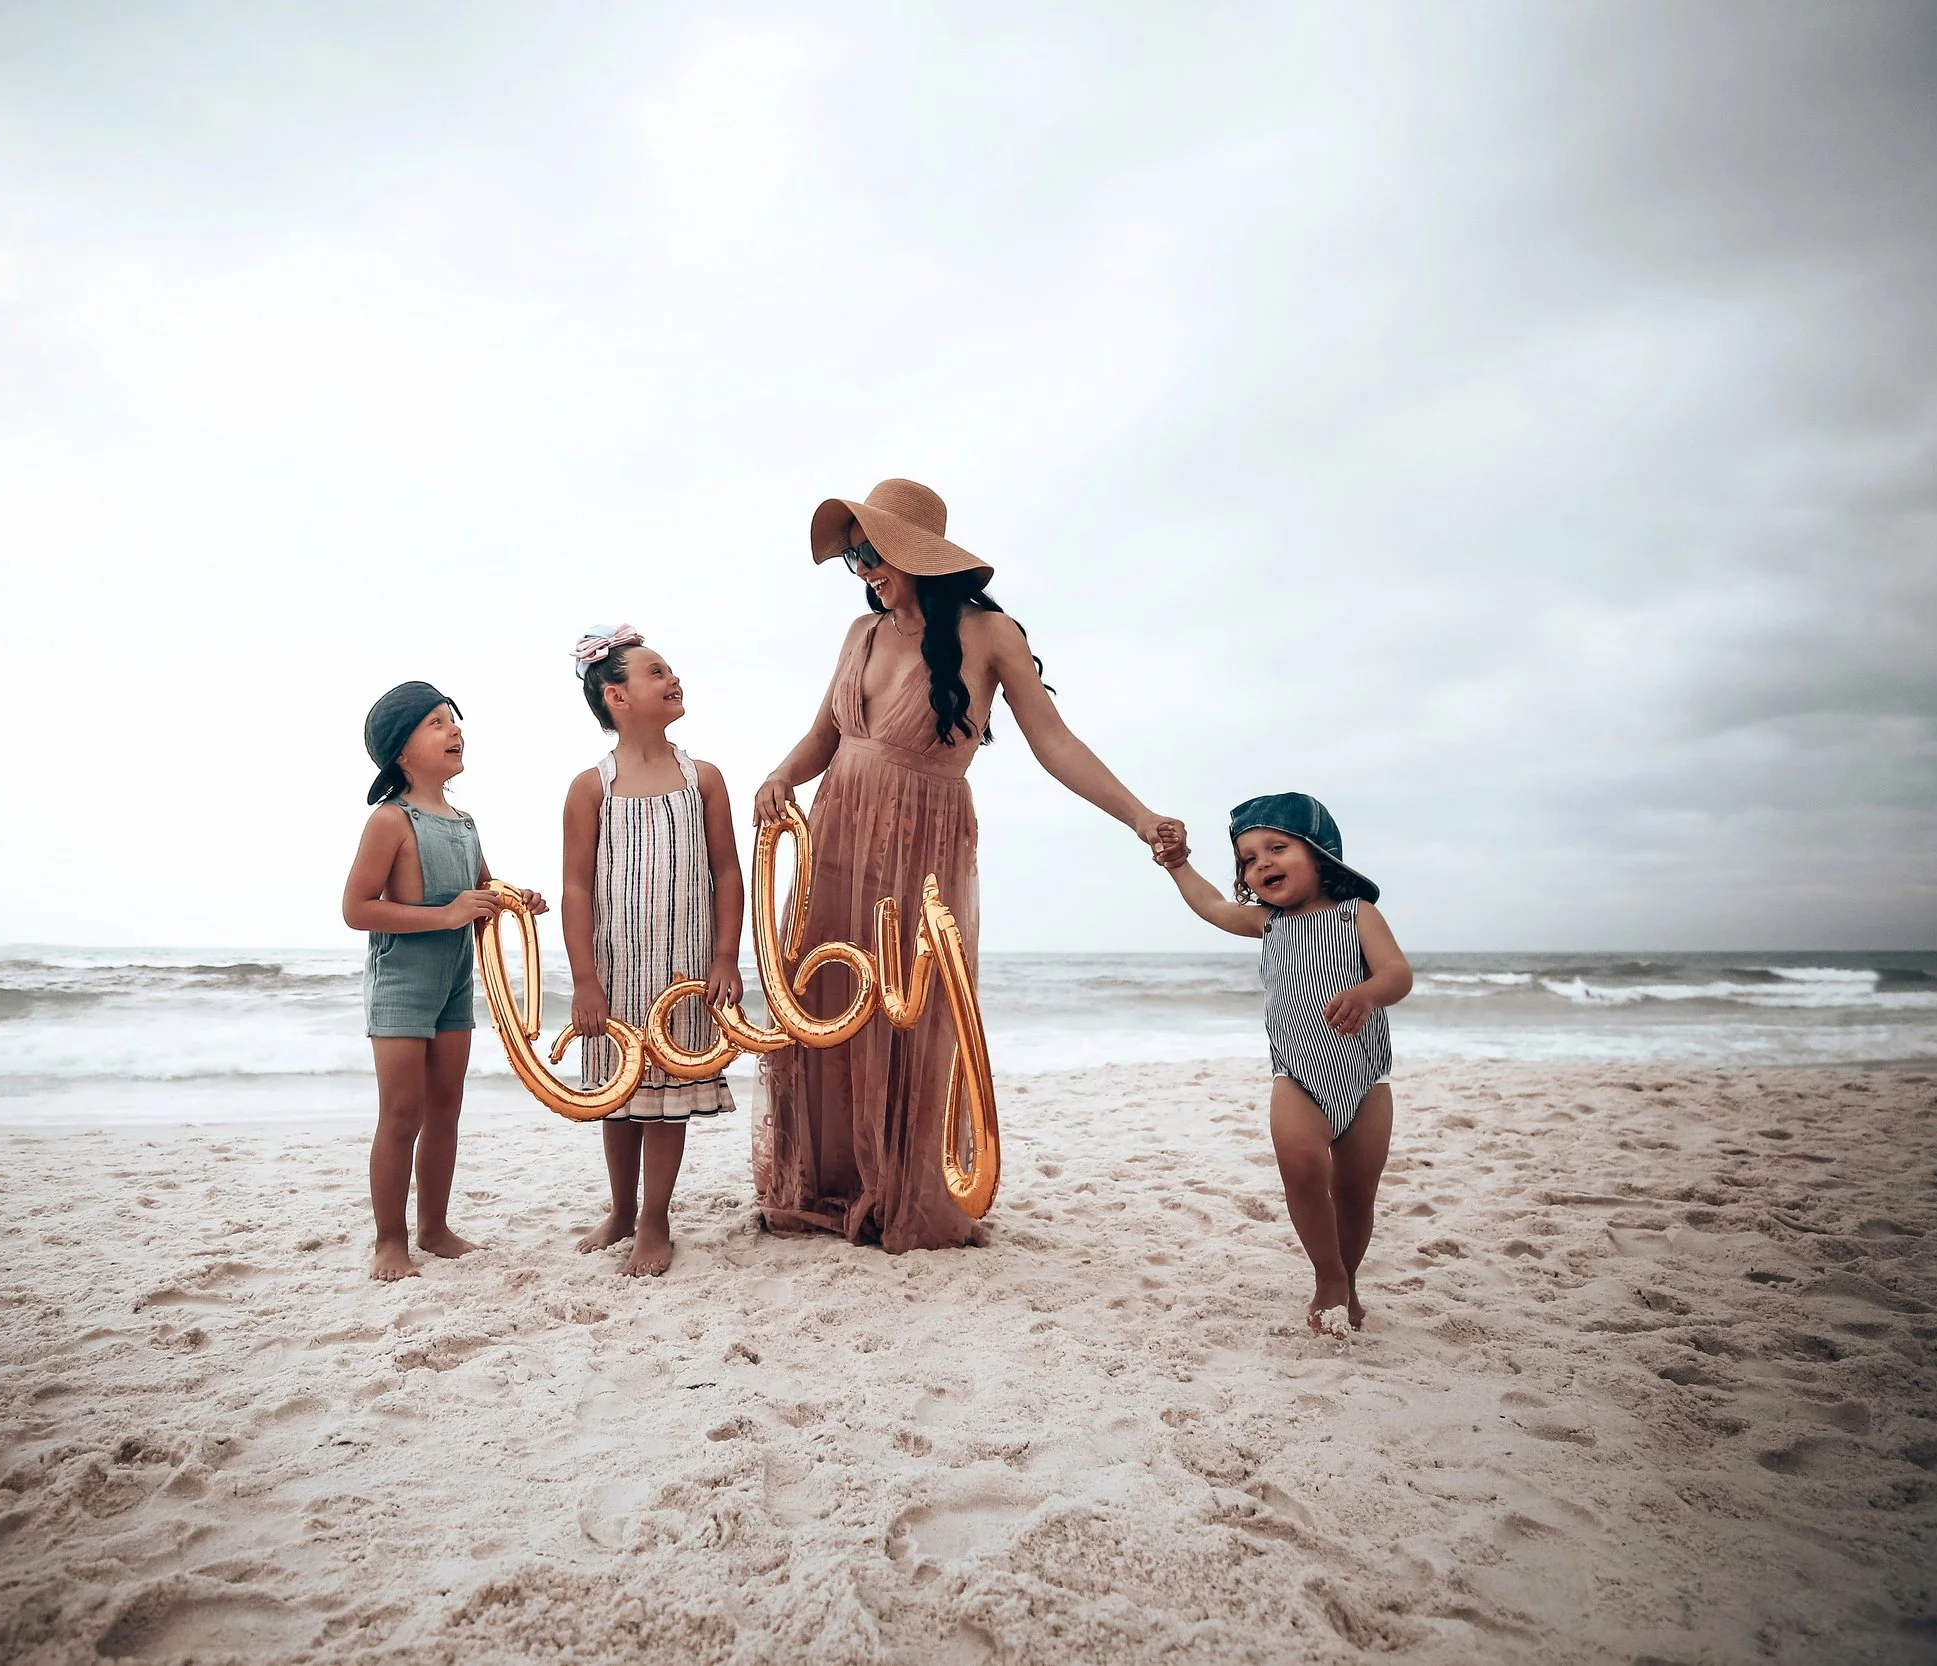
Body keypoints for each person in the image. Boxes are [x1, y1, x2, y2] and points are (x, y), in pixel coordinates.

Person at [752, 478, 1185, 1252]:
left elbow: (1056, 743)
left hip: (922, 840)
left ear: (914, 553)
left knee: (912, 1011)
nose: (862, 572)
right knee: (827, 995)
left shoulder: (989, 635)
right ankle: (828, 1183)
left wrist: (1140, 817)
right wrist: (781, 774)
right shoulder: (861, 632)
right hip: (838, 834)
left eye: (870, 554)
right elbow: (823, 737)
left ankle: (899, 1188)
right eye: (853, 558)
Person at [1155, 793, 1412, 1332]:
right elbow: (1210, 905)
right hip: (1296, 1075)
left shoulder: (1359, 913)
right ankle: (1328, 1277)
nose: (1261, 863)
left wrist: (1367, 995)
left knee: (1356, 1191)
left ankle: (1350, 1279)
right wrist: (1179, 865)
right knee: (1300, 1171)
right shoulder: (1266, 923)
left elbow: (1397, 975)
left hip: (1367, 1079)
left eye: (1277, 847)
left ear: (1320, 854)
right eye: (1248, 858)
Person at [339, 681, 544, 1282]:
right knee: (401, 1112)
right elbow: (357, 909)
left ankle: (433, 1227)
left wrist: (514, 898)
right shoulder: (390, 821)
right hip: (402, 981)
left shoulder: (464, 821)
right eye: (435, 722)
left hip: (455, 982)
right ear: (401, 750)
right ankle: (389, 1240)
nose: (453, 730)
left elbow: (482, 889)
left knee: (446, 1108)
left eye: (452, 720)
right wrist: (446, 915)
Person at [559, 626, 747, 1276]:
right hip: (617, 974)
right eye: (656, 672)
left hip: (682, 973)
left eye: (671, 669)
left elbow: (727, 872)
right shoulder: (592, 788)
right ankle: (619, 1208)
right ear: (617, 696)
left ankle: (655, 1216)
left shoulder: (704, 779)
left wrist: (726, 958)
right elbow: (576, 888)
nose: (673, 679)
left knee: (666, 1099)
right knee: (621, 1094)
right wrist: (585, 980)